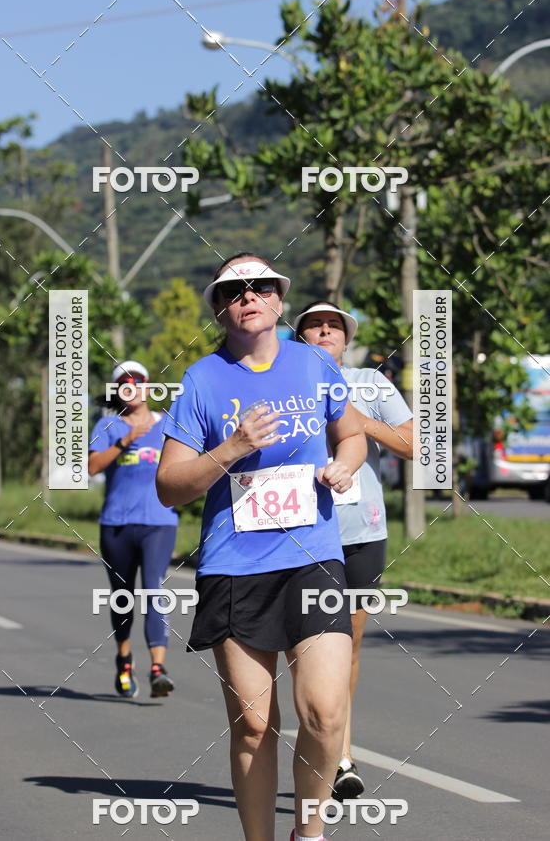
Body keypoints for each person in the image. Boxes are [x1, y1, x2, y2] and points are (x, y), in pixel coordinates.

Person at [156, 253, 367, 841]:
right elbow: (169, 487)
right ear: (220, 307)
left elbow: (350, 433)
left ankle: (310, 831)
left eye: (262, 287)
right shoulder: (202, 379)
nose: (249, 296)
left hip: (314, 556)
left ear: (279, 299)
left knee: (325, 713)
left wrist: (345, 467)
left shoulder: (313, 364)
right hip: (234, 564)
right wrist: (232, 448)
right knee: (253, 725)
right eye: (235, 290)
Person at [295, 301, 414, 799]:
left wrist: (358, 421)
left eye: (334, 326)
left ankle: (341, 751)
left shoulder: (368, 381)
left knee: (348, 645)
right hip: (298, 531)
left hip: (360, 531)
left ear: (345, 339)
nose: (325, 331)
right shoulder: (283, 381)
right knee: (309, 647)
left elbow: (415, 444)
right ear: (298, 338)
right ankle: (326, 748)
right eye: (314, 326)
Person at [88, 360, 178, 699]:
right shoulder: (108, 425)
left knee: (155, 590)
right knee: (123, 597)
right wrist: (126, 441)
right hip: (116, 525)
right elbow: (92, 466)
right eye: (123, 383)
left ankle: (158, 669)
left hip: (159, 523)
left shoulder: (168, 423)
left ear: (147, 385)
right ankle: (124, 659)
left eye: (137, 380)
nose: (131, 387)